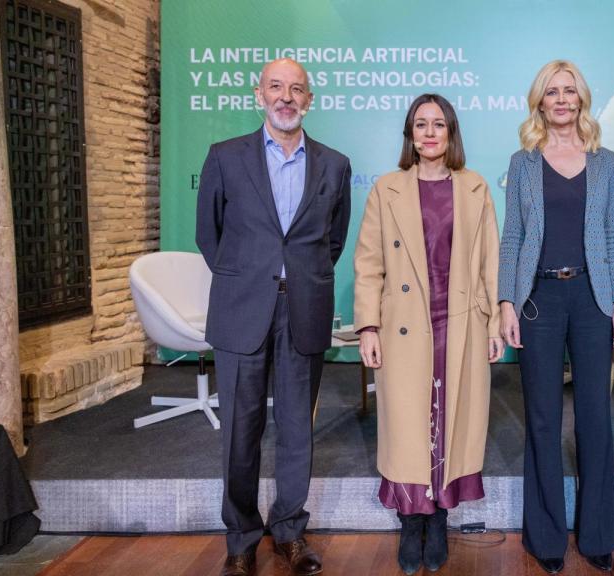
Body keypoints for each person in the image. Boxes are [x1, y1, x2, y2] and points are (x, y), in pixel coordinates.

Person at [195, 58, 351, 576]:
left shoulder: (334, 163)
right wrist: (251, 277)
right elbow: (208, 235)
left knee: (295, 430)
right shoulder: (224, 157)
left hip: (303, 308)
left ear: (309, 100)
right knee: (240, 430)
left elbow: (332, 241)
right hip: (242, 310)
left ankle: (289, 531)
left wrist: (294, 279)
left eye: (297, 90)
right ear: (258, 94)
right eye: (276, 87)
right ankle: (240, 540)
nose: (286, 97)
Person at [353, 93, 503, 575]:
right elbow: (369, 265)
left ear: (451, 132)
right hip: (403, 326)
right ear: (410, 134)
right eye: (421, 124)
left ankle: (438, 517)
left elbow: (490, 262)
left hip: (460, 321)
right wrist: (368, 326)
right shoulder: (386, 189)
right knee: (406, 423)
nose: (430, 132)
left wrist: (497, 321)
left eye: (439, 124)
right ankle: (409, 520)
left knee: (452, 421)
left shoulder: (475, 187)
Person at [498, 60, 614, 574]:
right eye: (551, 92)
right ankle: (546, 538)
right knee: (544, 419)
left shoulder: (605, 161)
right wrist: (508, 302)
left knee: (595, 418)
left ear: (582, 99)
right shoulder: (524, 161)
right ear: (539, 101)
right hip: (539, 302)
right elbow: (512, 238)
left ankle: (598, 535)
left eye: (569, 91)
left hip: (594, 301)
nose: (561, 100)